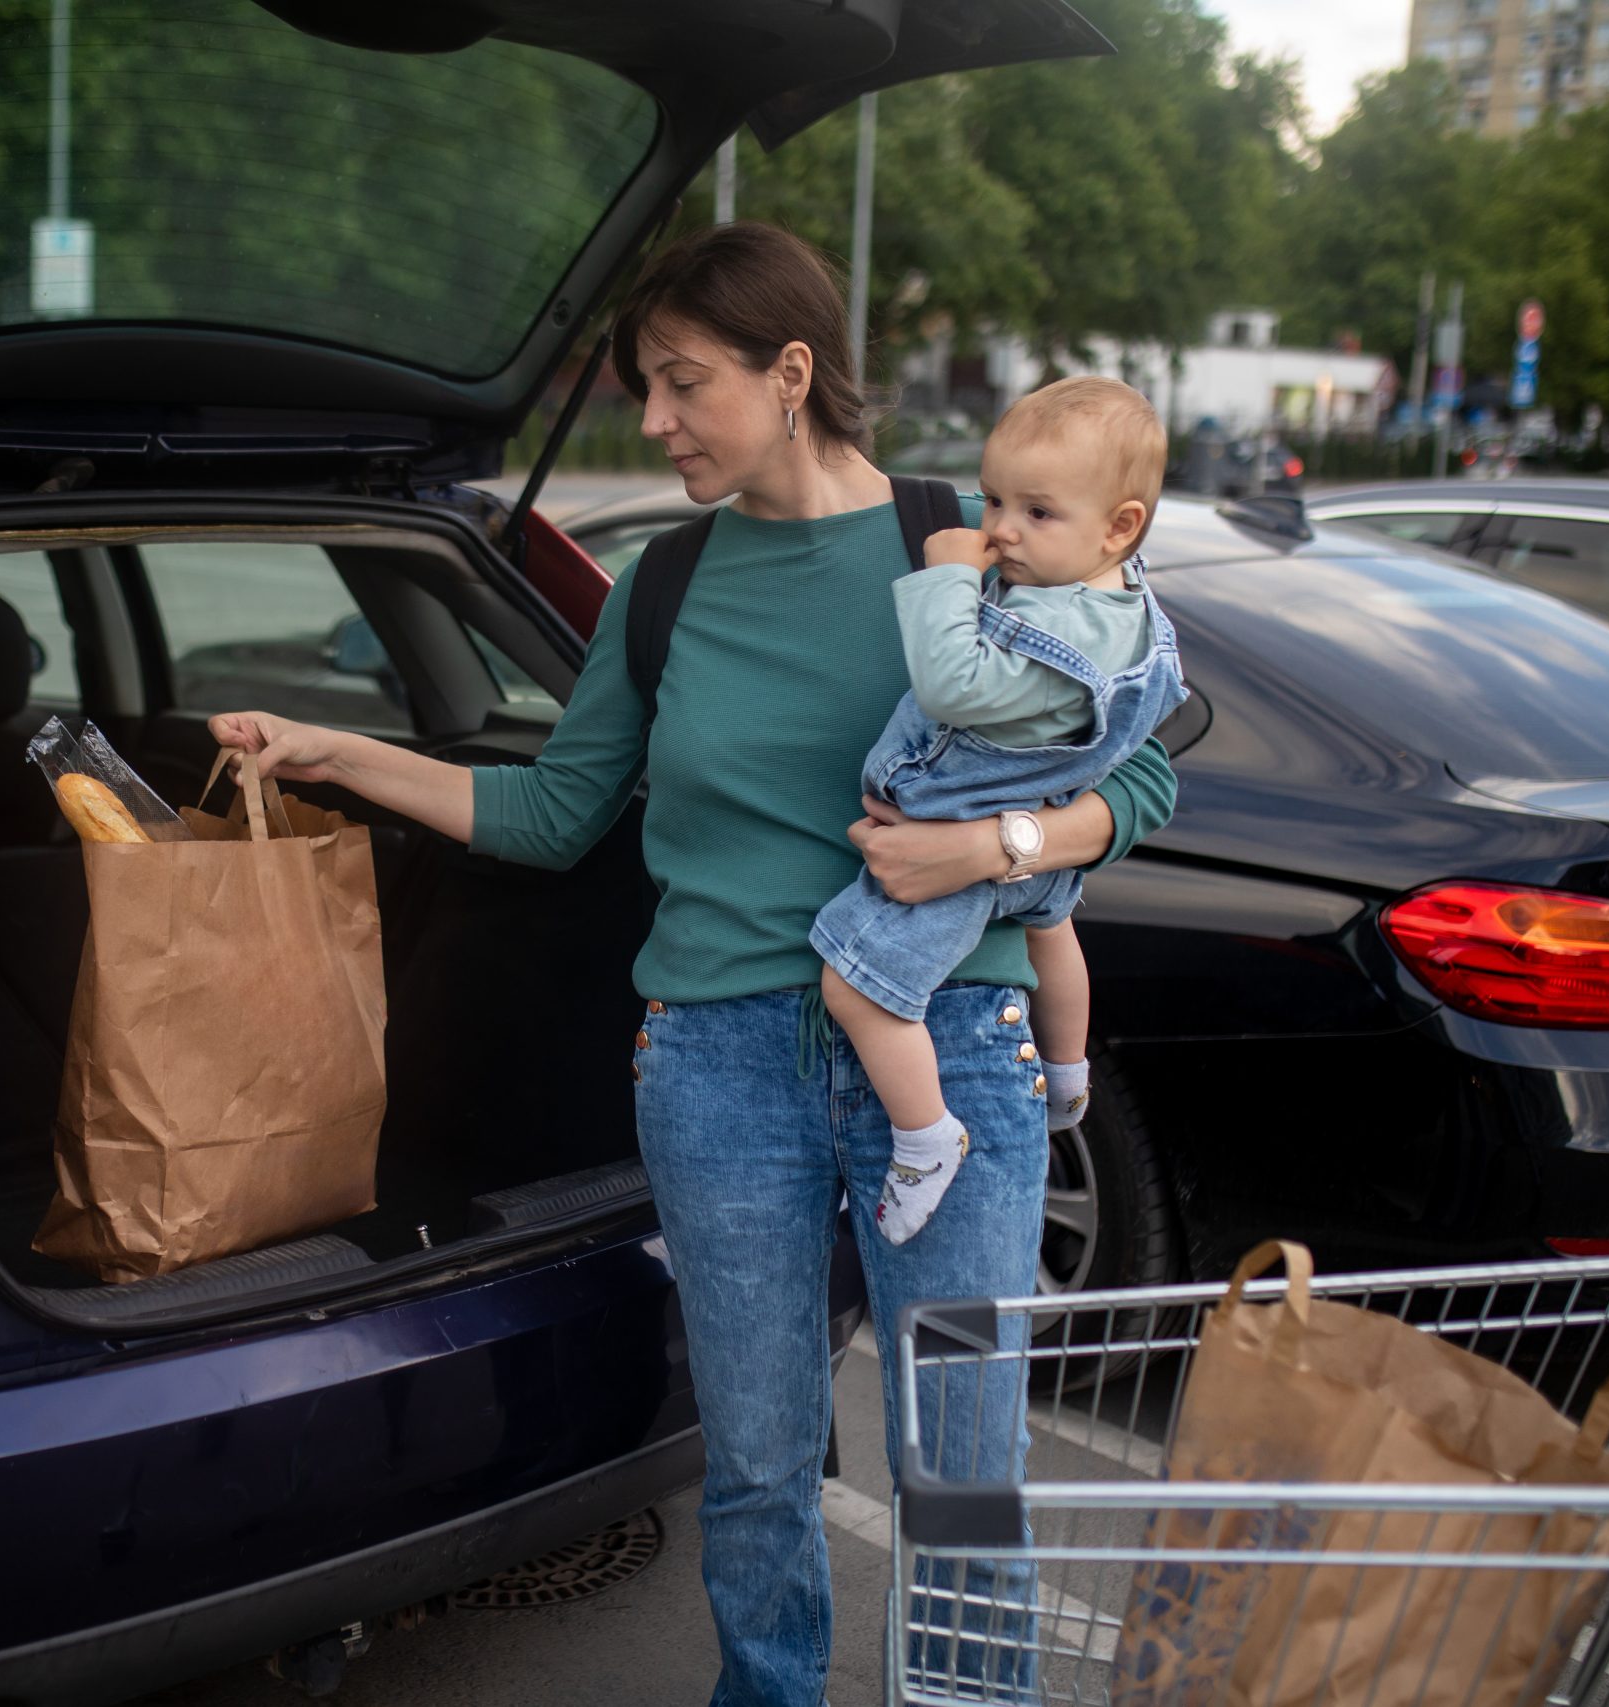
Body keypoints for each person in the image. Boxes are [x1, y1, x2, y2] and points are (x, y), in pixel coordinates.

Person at [210, 222, 1175, 1706]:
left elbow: (1147, 774)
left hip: (952, 1047)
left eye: (680, 382)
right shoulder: (664, 585)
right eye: (643, 388)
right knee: (760, 1463)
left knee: (964, 1470)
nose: (651, 421)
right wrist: (337, 751)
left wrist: (987, 854)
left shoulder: (968, 535)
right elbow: (547, 813)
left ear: (792, 373)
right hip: (718, 1069)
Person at [815, 377, 1188, 1246]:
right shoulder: (1126, 610)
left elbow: (951, 682)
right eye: (995, 499)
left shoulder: (1053, 634)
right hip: (1040, 849)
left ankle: (924, 1136)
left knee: (856, 985)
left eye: (1038, 512)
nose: (1001, 529)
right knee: (1054, 936)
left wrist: (947, 576)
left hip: (959, 847)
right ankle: (1066, 1078)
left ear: (1121, 526)